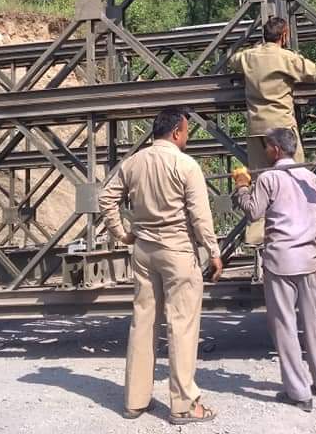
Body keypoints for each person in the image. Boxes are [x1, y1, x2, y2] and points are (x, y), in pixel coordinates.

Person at [98, 108, 221, 425]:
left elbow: (106, 198)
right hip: (178, 252)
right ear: (177, 132)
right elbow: (200, 216)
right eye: (187, 131)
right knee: (181, 326)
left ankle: (135, 401)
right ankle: (183, 405)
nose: (188, 136)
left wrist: (121, 233)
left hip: (144, 251)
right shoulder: (185, 165)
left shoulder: (134, 162)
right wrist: (214, 251)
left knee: (143, 323)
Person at [229, 16, 316, 243]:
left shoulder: (248, 57)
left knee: (259, 185)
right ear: (285, 36)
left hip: (256, 129)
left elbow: (232, 60)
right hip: (282, 130)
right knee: (295, 181)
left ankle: (259, 239)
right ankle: (301, 234)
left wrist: (255, 49)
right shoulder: (287, 58)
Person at [231, 127, 316, 412]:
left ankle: (298, 392)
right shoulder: (312, 178)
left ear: (275, 148)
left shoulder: (269, 178)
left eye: (266, 146)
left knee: (285, 325)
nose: (265, 151)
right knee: (313, 322)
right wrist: (314, 249)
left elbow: (253, 211)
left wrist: (241, 184)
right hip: (309, 260)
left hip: (280, 261)